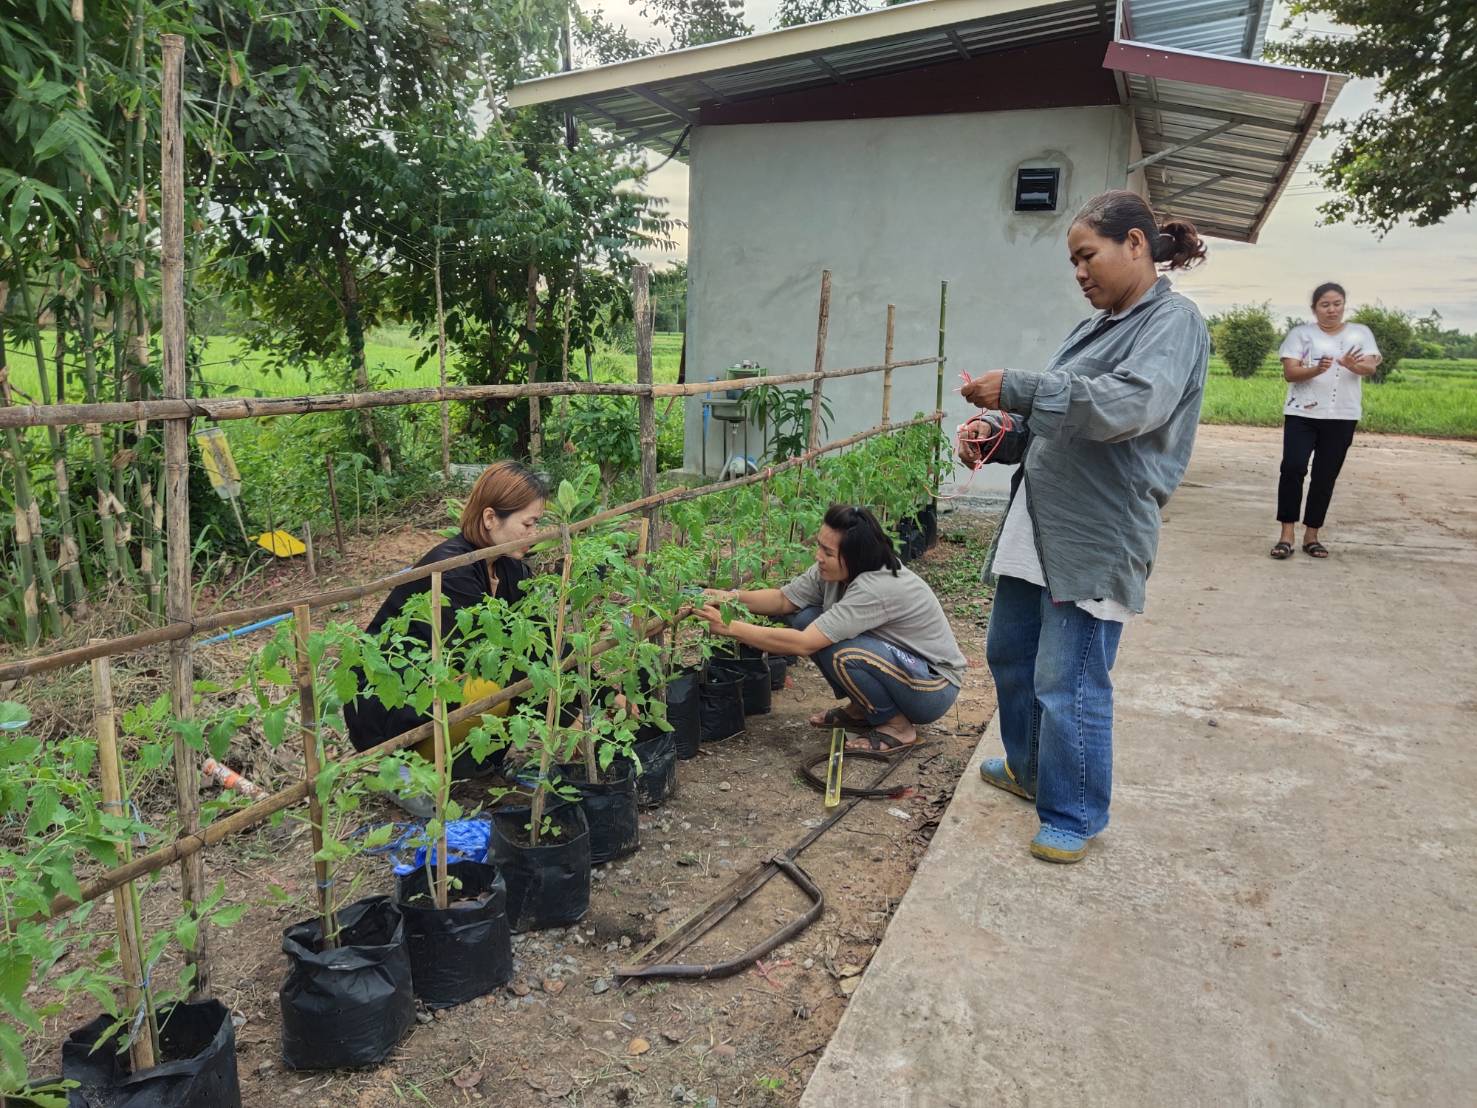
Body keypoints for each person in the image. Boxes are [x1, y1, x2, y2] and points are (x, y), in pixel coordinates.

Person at [960, 189, 1210, 864]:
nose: (1078, 273)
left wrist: (1015, 388)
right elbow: (1053, 419)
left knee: (1068, 682)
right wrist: (999, 431)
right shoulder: (1093, 328)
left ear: (1135, 243)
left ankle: (1073, 812)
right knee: (1011, 658)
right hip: (1038, 523)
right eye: (1071, 261)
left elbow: (1128, 406)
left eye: (1086, 255)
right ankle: (1028, 770)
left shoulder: (1172, 322)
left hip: (1096, 531)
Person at [343, 461, 548, 814]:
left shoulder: (508, 567)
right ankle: (404, 770)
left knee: (509, 681)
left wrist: (599, 699)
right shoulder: (451, 571)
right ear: (489, 519)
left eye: (537, 523)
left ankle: (470, 765)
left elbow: (543, 642)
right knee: (493, 687)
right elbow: (497, 661)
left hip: (437, 693)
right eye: (528, 524)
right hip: (393, 707)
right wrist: (568, 713)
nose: (534, 533)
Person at [696, 505, 966, 754]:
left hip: (933, 687)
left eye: (828, 552)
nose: (819, 557)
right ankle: (863, 710)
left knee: (840, 650)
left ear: (854, 557)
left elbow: (804, 644)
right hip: (899, 668)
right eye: (819, 547)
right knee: (804, 617)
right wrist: (728, 596)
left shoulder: (876, 586)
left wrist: (729, 627)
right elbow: (783, 600)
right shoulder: (839, 572)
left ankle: (897, 727)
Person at [1270, 283, 1382, 560]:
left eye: (1337, 303)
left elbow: (1369, 366)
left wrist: (1350, 365)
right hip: (1302, 414)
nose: (1332, 310)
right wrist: (1315, 369)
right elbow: (1290, 373)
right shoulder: (1301, 334)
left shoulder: (1360, 333)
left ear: (1344, 305)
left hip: (1342, 416)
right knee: (1293, 468)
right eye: (1325, 304)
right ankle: (1286, 534)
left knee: (1324, 476)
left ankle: (1312, 535)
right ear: (1314, 308)